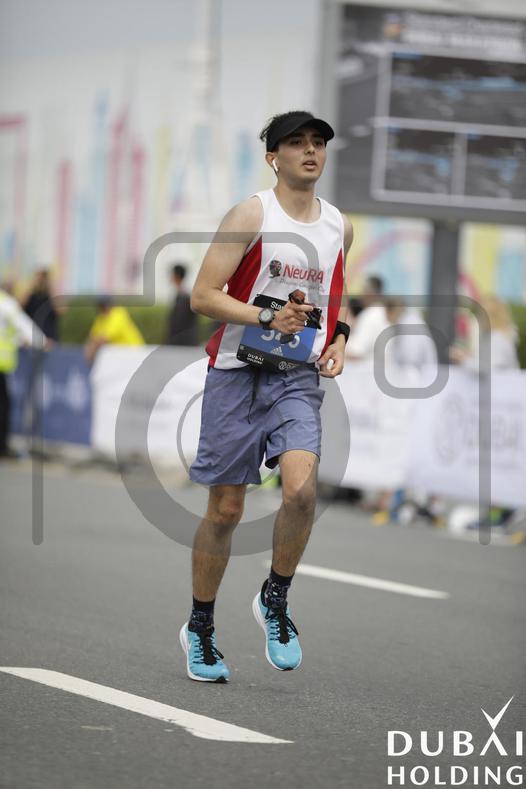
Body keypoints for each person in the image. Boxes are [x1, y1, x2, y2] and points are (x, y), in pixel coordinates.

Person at [180, 110, 353, 683]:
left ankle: (274, 598)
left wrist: (340, 339)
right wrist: (265, 316)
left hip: (294, 375)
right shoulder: (251, 213)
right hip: (236, 372)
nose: (310, 150)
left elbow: (336, 295)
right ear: (273, 158)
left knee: (301, 490)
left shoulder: (339, 225)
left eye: (317, 142)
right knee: (226, 510)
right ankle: (200, 627)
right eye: (296, 143)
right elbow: (203, 295)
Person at [0, 287, 46, 459]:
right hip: (1, 366)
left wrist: (21, 340)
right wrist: (41, 341)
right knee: (3, 407)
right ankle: (2, 447)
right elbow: (23, 324)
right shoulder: (6, 303)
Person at [84, 297, 145, 363]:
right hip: (120, 353)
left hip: (133, 352)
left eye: (104, 306)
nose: (102, 308)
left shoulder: (118, 314)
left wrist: (91, 351)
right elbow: (92, 336)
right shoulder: (101, 317)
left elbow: (103, 338)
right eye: (101, 306)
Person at [345, 275, 388, 361]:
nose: (361, 293)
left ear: (370, 293)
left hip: (366, 367)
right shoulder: (381, 312)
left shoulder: (370, 315)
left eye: (363, 289)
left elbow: (356, 352)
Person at [21, 269, 60, 342]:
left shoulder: (49, 296)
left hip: (48, 336)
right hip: (31, 335)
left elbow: (59, 311)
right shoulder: (31, 296)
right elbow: (20, 307)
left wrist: (51, 289)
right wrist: (31, 287)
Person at [165, 263, 198, 346]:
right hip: (180, 343)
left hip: (183, 344)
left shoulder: (185, 298)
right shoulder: (181, 296)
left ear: (176, 276)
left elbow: (179, 324)